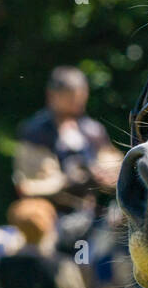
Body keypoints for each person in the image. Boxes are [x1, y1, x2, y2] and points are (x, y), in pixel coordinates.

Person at [13, 66, 122, 247]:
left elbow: (114, 166)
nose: (77, 101)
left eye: (81, 95)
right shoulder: (36, 132)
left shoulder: (92, 130)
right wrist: (72, 179)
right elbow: (28, 184)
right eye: (71, 95)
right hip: (49, 219)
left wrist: (106, 175)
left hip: (92, 216)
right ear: (52, 94)